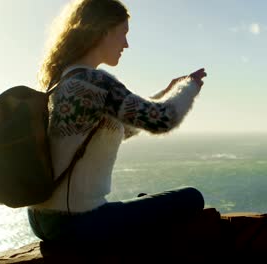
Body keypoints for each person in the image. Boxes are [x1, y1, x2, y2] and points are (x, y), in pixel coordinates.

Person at [27, 0, 208, 246]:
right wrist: (188, 87)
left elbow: (120, 126)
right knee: (191, 198)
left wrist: (165, 92)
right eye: (123, 34)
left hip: (41, 221)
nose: (126, 44)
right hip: (79, 223)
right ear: (104, 30)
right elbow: (163, 119)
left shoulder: (62, 80)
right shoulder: (95, 82)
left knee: (148, 203)